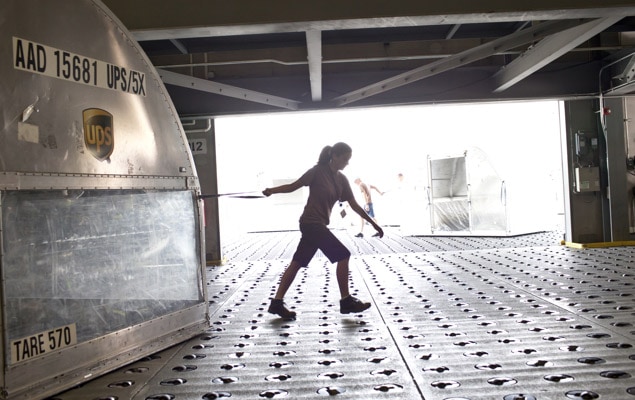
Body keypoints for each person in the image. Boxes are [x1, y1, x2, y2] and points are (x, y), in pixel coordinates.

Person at [262, 142, 384, 319]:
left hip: (318, 225)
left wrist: (372, 222)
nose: (347, 163)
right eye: (345, 159)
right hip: (311, 223)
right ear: (334, 156)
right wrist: (271, 191)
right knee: (343, 255)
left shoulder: (342, 179)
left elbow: (354, 204)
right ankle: (346, 301)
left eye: (349, 159)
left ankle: (277, 303)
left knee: (297, 262)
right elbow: (292, 186)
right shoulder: (317, 172)